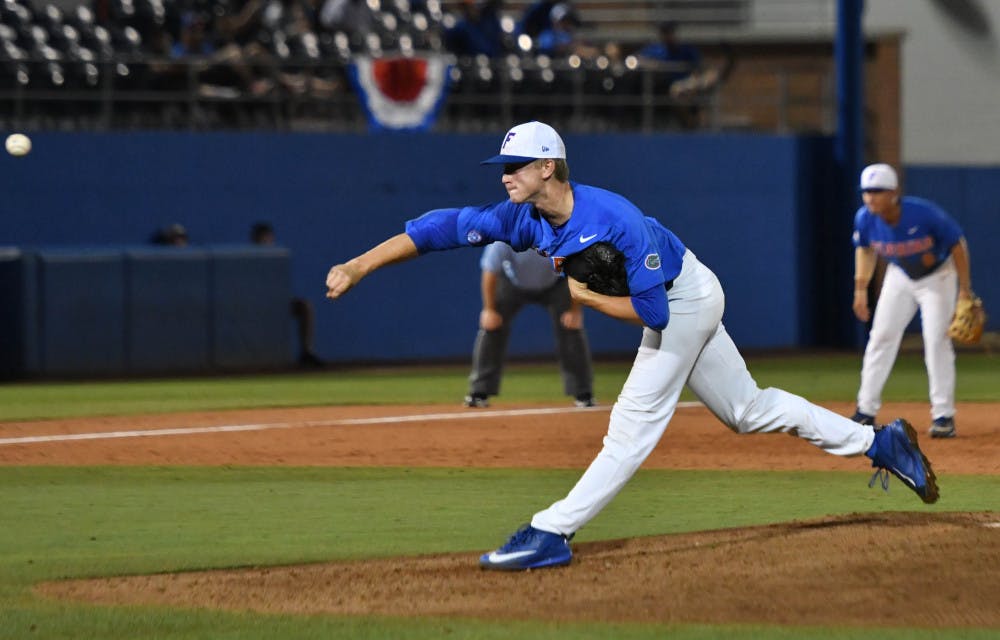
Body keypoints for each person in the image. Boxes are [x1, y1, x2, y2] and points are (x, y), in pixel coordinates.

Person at [324, 121, 939, 571]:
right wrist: (358, 264)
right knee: (748, 411)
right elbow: (437, 228)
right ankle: (877, 441)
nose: (504, 175)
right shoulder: (521, 217)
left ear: (549, 168)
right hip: (678, 299)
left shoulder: (615, 219)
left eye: (514, 165)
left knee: (631, 424)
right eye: (502, 168)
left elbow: (653, 311)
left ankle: (550, 532)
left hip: (686, 296)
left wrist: (588, 301)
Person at [849, 163, 974, 438]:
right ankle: (865, 410)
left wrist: (964, 290)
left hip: (938, 278)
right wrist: (860, 289)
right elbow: (865, 251)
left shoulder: (924, 214)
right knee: (881, 337)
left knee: (936, 341)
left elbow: (957, 244)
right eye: (866, 192)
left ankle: (943, 416)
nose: (870, 197)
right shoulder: (865, 218)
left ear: (894, 192)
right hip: (900, 276)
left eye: (877, 191)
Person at [465, 241, 594, 408]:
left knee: (571, 327)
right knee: (491, 326)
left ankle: (583, 393)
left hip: (556, 284)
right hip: (512, 283)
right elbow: (490, 271)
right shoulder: (504, 239)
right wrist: (489, 310)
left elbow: (576, 272)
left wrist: (576, 311)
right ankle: (479, 392)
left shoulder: (559, 236)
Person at [251, 222, 324, 367]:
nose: (265, 241)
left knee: (304, 306)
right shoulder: (248, 259)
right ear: (255, 240)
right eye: (261, 238)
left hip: (276, 304)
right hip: (253, 306)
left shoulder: (277, 257)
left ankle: (306, 352)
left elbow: (280, 288)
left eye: (267, 238)